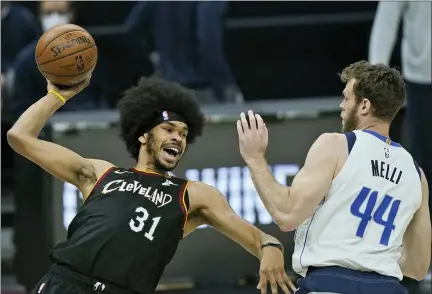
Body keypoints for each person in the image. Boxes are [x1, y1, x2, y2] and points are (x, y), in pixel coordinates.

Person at [7, 76, 296, 294]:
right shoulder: (101, 174)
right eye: (169, 130)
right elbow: (20, 137)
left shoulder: (191, 195)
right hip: (64, 283)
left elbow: (259, 239)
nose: (178, 138)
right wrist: (57, 95)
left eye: (183, 134)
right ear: (144, 136)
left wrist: (271, 248)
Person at [236, 61, 431, 294]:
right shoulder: (416, 174)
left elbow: (287, 215)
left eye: (346, 98)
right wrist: (372, 259)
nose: (341, 105)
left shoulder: (337, 145)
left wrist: (255, 158)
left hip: (330, 284)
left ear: (364, 106)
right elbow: (418, 267)